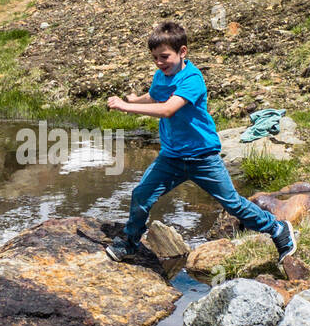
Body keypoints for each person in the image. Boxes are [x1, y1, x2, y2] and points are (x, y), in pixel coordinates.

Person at [105, 20, 297, 263]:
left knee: (233, 205)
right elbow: (154, 96)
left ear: (182, 52)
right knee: (141, 195)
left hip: (203, 157)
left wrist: (125, 108)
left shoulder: (192, 79)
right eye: (154, 58)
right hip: (171, 157)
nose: (159, 62)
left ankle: (279, 230)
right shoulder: (160, 75)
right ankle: (130, 241)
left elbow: (167, 109)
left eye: (164, 57)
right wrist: (134, 101)